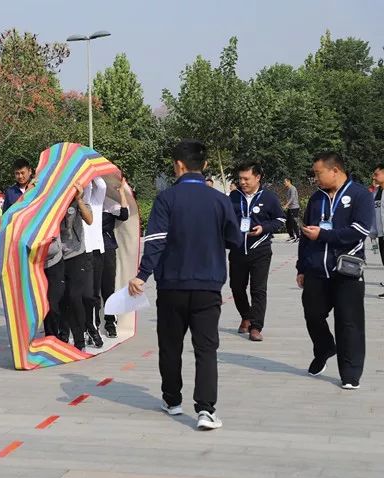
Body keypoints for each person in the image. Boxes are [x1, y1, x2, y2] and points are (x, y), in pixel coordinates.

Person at [128, 140, 241, 431]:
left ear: (178, 165)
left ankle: (172, 400)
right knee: (206, 349)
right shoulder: (220, 200)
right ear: (205, 165)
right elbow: (234, 240)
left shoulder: (166, 199)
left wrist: (142, 275)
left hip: (172, 285)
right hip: (208, 285)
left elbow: (155, 241)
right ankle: (205, 410)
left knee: (170, 345)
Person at [297, 152, 373, 390]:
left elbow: (359, 230)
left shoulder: (360, 195)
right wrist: (301, 267)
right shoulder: (316, 198)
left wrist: (324, 235)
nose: (315, 178)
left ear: (335, 171)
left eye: (318, 173)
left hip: (346, 271)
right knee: (313, 315)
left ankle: (350, 373)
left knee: (349, 323)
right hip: (316, 270)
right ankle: (324, 348)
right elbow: (306, 235)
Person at [228, 163, 286, 342]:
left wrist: (264, 228)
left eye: (246, 179)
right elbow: (225, 219)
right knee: (236, 287)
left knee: (258, 289)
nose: (242, 182)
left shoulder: (269, 197)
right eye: (240, 179)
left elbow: (280, 219)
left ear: (257, 177)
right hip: (238, 249)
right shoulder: (234, 197)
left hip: (260, 250)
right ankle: (246, 316)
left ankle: (256, 327)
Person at [57, 182, 94, 350]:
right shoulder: (51, 201)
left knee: (74, 297)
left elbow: (89, 219)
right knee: (60, 298)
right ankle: (63, 336)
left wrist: (79, 200)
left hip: (76, 254)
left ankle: (80, 340)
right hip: (56, 257)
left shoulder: (78, 199)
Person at [100, 172, 130, 338]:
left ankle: (110, 322)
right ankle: (90, 325)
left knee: (107, 287)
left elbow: (124, 214)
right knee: (89, 291)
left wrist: (122, 193)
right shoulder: (83, 201)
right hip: (87, 249)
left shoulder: (108, 203)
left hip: (107, 247)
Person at [81, 178, 107, 348]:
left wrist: (93, 170)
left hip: (98, 249)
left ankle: (94, 326)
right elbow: (88, 187)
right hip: (85, 251)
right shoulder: (82, 202)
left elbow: (101, 185)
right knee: (87, 294)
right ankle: (86, 328)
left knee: (95, 293)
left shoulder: (97, 201)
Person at [284, 177, 300, 242]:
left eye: (285, 182)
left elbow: (292, 198)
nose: (284, 183)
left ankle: (298, 237)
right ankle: (292, 236)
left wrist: (286, 205)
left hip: (294, 208)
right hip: (290, 208)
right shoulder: (288, 189)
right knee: (288, 222)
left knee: (294, 222)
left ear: (289, 181)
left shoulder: (292, 188)